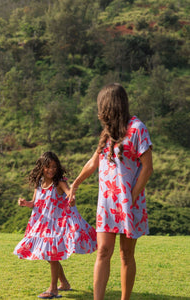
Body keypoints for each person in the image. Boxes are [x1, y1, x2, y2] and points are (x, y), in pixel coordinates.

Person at [68, 83, 153, 300]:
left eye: (102, 105)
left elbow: (148, 167)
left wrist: (131, 198)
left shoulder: (137, 128)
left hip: (130, 203)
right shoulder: (108, 132)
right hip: (106, 204)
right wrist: (75, 183)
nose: (100, 110)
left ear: (110, 105)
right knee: (103, 251)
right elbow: (94, 161)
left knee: (126, 255)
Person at [14, 151, 97, 299]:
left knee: (52, 256)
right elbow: (35, 203)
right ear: (41, 168)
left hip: (56, 225)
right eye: (48, 167)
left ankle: (53, 289)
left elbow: (69, 192)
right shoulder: (39, 183)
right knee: (49, 256)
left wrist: (72, 199)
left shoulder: (59, 182)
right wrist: (25, 203)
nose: (51, 170)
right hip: (42, 224)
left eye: (54, 166)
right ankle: (64, 283)